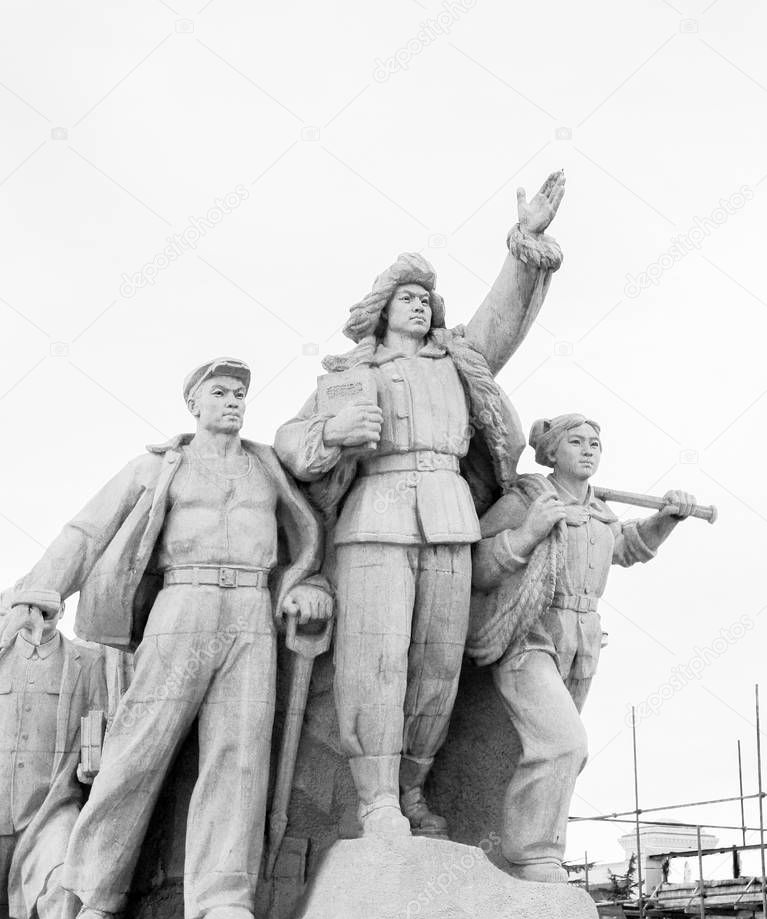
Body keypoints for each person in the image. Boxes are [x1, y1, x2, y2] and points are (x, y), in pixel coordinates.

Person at [0, 358, 332, 919]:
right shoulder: (159, 466)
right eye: (220, 392)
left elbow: (303, 538)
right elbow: (87, 530)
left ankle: (222, 903)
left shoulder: (265, 466)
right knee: (136, 749)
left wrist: (305, 585)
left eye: (240, 393)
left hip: (251, 608)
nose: (233, 401)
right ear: (194, 405)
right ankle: (93, 898)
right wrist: (41, 587)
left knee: (240, 755)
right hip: (183, 603)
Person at [275, 173, 565, 838]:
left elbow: (501, 318)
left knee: (435, 666)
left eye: (424, 299)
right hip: (375, 521)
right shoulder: (350, 375)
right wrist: (332, 433)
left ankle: (410, 788)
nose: (418, 306)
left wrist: (522, 246)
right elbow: (292, 443)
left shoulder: (456, 361)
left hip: (449, 519)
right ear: (381, 308)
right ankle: (374, 795)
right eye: (405, 297)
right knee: (375, 664)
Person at [468, 414, 696, 882]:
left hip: (585, 637)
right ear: (552, 452)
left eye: (595, 442)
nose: (590, 449)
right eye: (577, 441)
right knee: (564, 742)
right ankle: (534, 856)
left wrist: (666, 521)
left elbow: (627, 547)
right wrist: (528, 532)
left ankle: (525, 853)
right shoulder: (527, 499)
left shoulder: (599, 510)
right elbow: (475, 566)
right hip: (530, 632)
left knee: (560, 751)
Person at [0, 594, 106, 919]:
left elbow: (98, 725)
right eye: (28, 605)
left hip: (48, 811)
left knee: (65, 885)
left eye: (48, 605)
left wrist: (93, 764)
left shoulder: (86, 661)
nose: (39, 614)